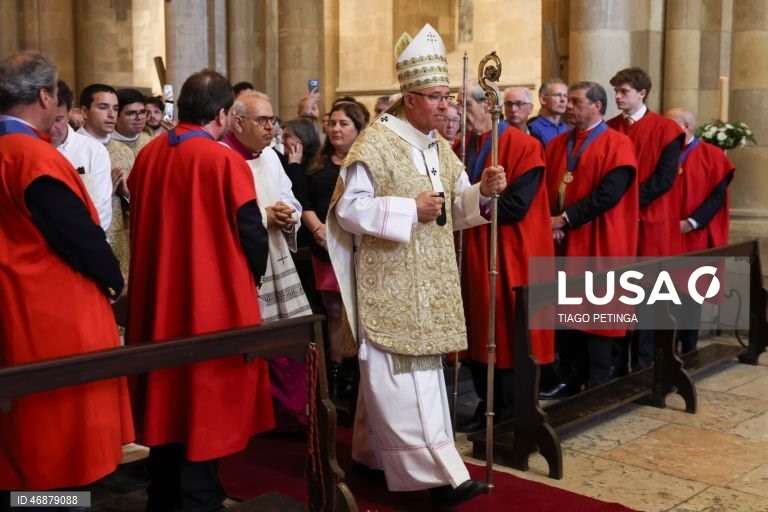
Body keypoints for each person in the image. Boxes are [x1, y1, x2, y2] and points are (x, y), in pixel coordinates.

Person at [326, 24, 507, 507]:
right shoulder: (375, 143)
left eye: (448, 97)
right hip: (390, 280)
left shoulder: (436, 144)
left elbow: (457, 205)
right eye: (436, 97)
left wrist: (481, 195)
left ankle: (369, 453)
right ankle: (437, 476)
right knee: (403, 375)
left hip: (430, 275)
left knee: (396, 376)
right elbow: (348, 210)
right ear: (409, 98)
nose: (446, 107)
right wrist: (410, 209)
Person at [126, 70, 272, 512]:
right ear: (224, 114)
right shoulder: (223, 159)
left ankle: (163, 494)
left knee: (165, 395)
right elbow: (251, 231)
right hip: (208, 301)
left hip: (158, 296)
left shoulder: (148, 154)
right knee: (205, 399)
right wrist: (255, 276)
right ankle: (200, 499)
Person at [0, 51, 133, 497]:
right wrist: (114, 279)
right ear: (44, 95)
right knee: (58, 446)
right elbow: (77, 234)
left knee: (20, 440)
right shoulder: (32, 156)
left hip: (13, 306)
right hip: (51, 317)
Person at [458, 100, 556, 433]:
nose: (458, 109)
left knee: (506, 328)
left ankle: (512, 409)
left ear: (489, 105)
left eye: (464, 102)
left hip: (511, 250)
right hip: (474, 249)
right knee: (477, 326)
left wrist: (475, 202)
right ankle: (488, 404)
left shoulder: (523, 145)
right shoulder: (461, 146)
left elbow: (516, 206)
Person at [543, 81, 638, 395]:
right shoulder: (558, 144)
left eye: (576, 101)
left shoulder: (617, 143)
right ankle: (571, 377)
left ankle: (599, 384)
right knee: (566, 309)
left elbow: (608, 195)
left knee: (598, 310)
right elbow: (546, 190)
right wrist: (552, 221)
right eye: (568, 101)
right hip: (563, 241)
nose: (569, 106)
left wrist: (565, 219)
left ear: (597, 106)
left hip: (600, 238)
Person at [607, 67, 684, 371]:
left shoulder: (666, 129)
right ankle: (616, 366)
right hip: (616, 225)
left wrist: (625, 203)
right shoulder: (610, 127)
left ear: (642, 94)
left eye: (623, 91)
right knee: (615, 294)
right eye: (615, 91)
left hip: (651, 223)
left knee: (648, 298)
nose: (617, 97)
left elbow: (664, 180)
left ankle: (645, 366)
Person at [220, 91, 311, 321]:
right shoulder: (222, 157)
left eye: (272, 119)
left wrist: (289, 215)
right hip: (246, 261)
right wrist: (264, 217)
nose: (270, 126)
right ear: (238, 122)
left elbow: (288, 196)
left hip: (279, 253)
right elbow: (222, 216)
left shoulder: (270, 156)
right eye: (262, 120)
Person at [298, 101, 366, 400]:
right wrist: (317, 229)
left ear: (358, 129)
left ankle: (357, 373)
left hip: (357, 249)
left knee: (357, 315)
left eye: (344, 124)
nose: (336, 129)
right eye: (333, 123)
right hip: (324, 249)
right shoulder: (317, 163)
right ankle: (335, 376)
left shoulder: (365, 163)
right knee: (335, 312)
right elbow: (303, 201)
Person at [666, 107, 735, 353]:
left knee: (690, 294)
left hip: (694, 235)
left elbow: (717, 198)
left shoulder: (712, 155)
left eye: (671, 124)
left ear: (686, 127)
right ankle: (665, 348)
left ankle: (689, 346)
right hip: (665, 236)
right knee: (665, 294)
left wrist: (691, 222)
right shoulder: (663, 155)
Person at [78, 83, 135, 276]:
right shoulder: (70, 149)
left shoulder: (125, 152)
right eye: (103, 107)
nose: (112, 114)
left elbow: (139, 202)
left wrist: (127, 195)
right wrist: (104, 191)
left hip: (121, 242)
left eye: (116, 108)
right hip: (85, 242)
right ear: (84, 111)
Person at [50, 79, 112, 231]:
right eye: (45, 120)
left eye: (59, 119)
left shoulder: (93, 151)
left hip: (82, 241)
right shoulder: (27, 147)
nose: (52, 128)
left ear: (69, 112)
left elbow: (100, 211)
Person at [527, 78, 570, 147]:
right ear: (543, 100)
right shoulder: (532, 128)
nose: (563, 100)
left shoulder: (567, 128)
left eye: (565, 96)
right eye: (558, 95)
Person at [113, 88, 153, 155]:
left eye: (142, 112)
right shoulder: (103, 145)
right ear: (116, 116)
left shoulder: (151, 142)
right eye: (131, 113)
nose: (139, 118)